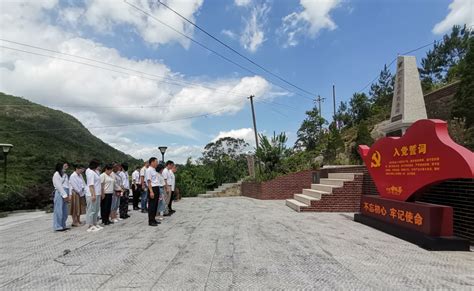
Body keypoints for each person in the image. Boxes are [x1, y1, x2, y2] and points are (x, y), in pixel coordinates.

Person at [85, 159, 102, 232]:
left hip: (97, 192)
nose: (99, 167)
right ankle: (90, 225)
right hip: (92, 193)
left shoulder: (96, 172)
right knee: (91, 210)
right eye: (98, 165)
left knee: (96, 209)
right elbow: (91, 185)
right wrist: (93, 195)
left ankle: (95, 223)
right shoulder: (90, 172)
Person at [52, 163, 70, 231]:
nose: (66, 167)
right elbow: (58, 186)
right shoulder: (56, 174)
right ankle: (57, 226)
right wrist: (64, 195)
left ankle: (63, 225)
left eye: (67, 166)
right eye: (65, 165)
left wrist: (68, 194)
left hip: (66, 191)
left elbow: (68, 185)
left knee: (65, 210)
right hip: (60, 193)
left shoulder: (65, 175)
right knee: (58, 210)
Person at [145, 157, 161, 226]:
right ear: (152, 162)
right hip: (152, 188)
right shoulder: (149, 170)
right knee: (152, 205)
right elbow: (149, 181)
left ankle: (154, 219)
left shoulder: (154, 170)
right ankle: (150, 221)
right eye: (156, 162)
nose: (157, 163)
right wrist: (151, 191)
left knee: (155, 205)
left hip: (156, 188)